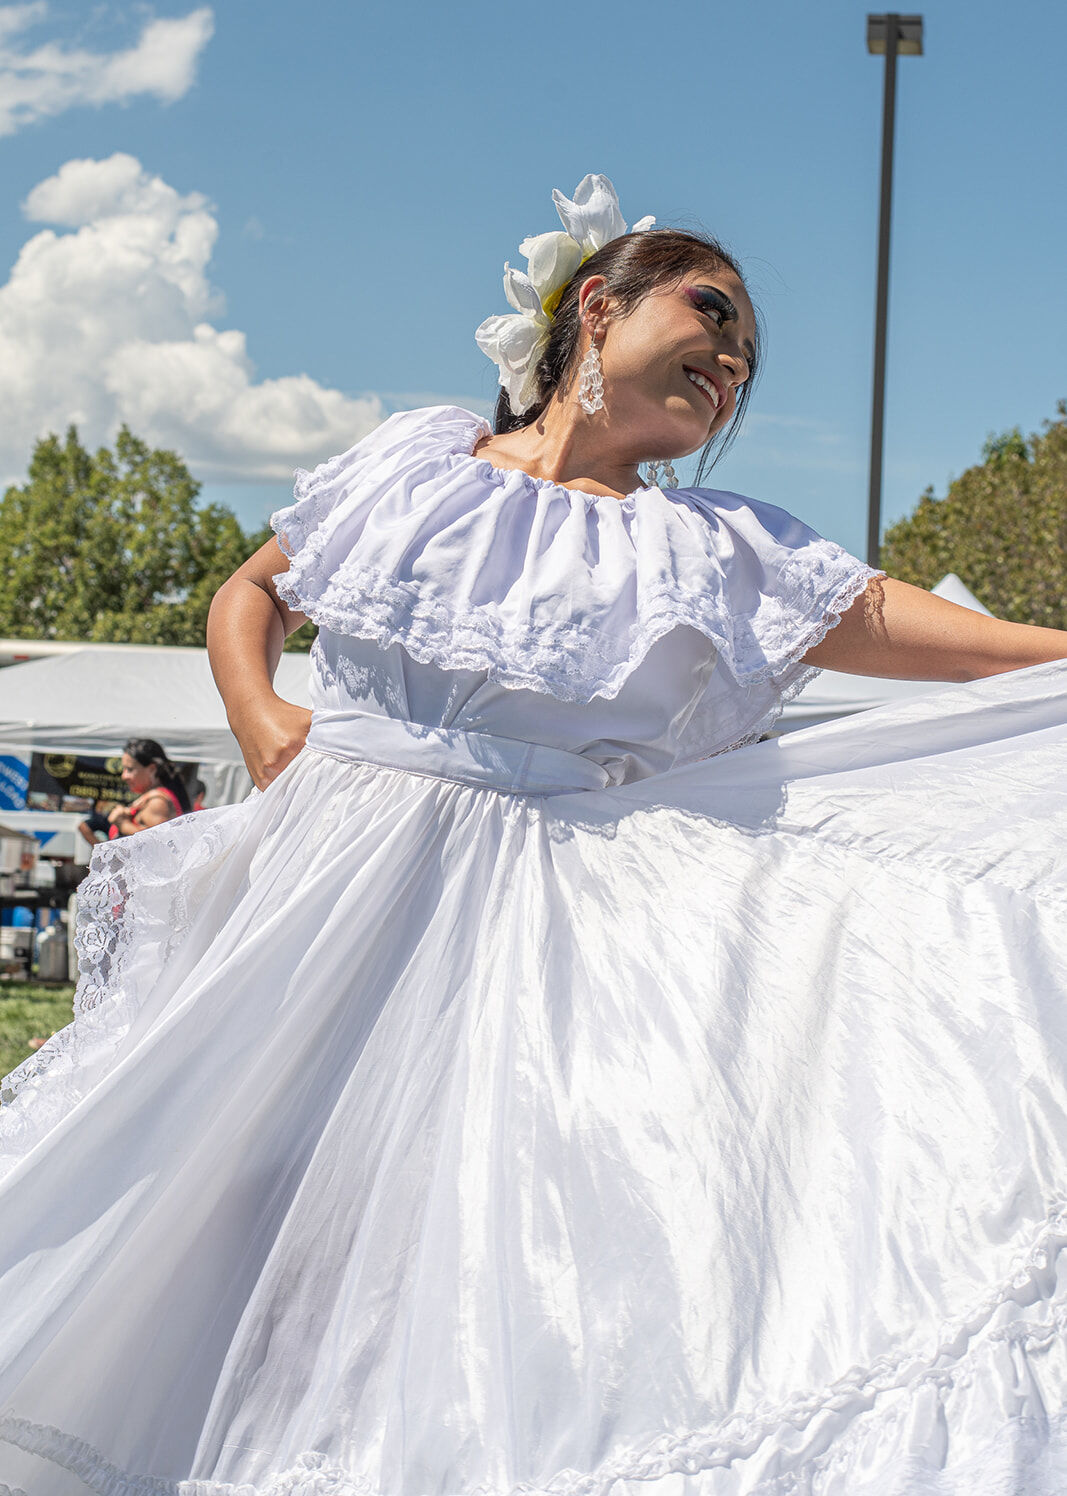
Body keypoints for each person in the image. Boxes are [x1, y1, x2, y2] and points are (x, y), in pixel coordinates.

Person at [0, 174, 1065, 1495]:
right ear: (593, 305)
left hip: (534, 943)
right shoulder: (418, 462)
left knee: (447, 1268)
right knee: (211, 1205)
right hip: (323, 889)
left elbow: (912, 626)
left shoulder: (711, 547)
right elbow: (249, 593)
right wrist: (260, 717)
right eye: (710, 313)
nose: (728, 360)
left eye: (741, 360)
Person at [103, 737, 191, 838]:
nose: (124, 776)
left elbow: (159, 842)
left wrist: (123, 824)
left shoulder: (157, 801)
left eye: (130, 769)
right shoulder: (154, 798)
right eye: (124, 769)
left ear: (152, 769)